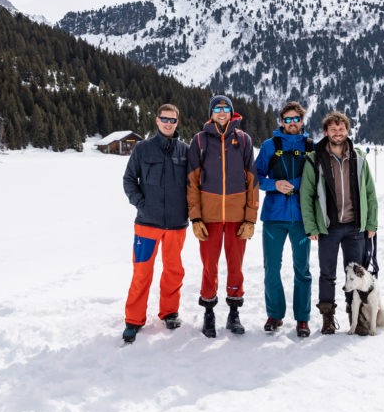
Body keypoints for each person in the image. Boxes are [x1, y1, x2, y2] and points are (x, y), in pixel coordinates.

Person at [300, 111, 378, 335]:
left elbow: (370, 193)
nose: (337, 133)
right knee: (327, 274)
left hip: (355, 227)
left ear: (347, 130)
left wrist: (371, 223)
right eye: (333, 129)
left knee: (357, 275)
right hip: (328, 227)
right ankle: (327, 317)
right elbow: (305, 195)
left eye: (341, 129)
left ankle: (357, 318)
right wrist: (311, 226)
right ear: (326, 132)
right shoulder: (315, 159)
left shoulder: (359, 157)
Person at [187, 95, 259, 337]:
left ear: (231, 112)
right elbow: (192, 183)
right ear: (211, 113)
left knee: (235, 266)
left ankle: (234, 312)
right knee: (210, 266)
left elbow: (253, 181)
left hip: (238, 216)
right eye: (217, 108)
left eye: (226, 108)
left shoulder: (244, 140)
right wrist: (195, 218)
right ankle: (208, 311)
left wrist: (250, 218)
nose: (221, 112)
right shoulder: (199, 140)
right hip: (209, 216)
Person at [121, 104, 189, 344]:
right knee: (142, 272)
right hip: (147, 224)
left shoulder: (185, 151)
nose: (168, 124)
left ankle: (169, 312)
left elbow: (193, 185)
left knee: (173, 270)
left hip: (177, 224)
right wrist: (142, 204)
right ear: (157, 120)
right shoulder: (143, 149)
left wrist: (188, 211)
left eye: (172, 120)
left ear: (177, 123)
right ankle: (134, 319)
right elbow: (129, 180)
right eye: (164, 119)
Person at [254, 100, 313, 338]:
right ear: (281, 122)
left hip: (301, 218)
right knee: (271, 268)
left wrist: (297, 185)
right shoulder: (270, 146)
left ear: (302, 121)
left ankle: (302, 319)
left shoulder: (311, 146)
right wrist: (275, 184)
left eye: (295, 119)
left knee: (303, 270)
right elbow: (255, 177)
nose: (291, 123)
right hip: (274, 217)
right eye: (287, 119)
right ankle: (275, 315)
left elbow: (317, 178)